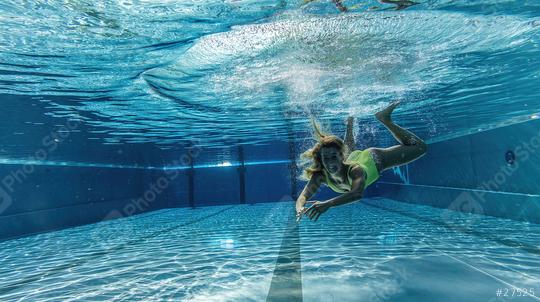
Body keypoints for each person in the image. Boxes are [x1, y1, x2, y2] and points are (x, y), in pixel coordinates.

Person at [296, 101, 427, 222]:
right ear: (321, 159)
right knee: (349, 152)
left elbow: (356, 194)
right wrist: (300, 208)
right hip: (352, 158)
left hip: (373, 160)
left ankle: (385, 120)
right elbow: (303, 196)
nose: (330, 163)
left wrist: (328, 204)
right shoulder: (320, 175)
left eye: (334, 157)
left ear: (341, 156)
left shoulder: (355, 171)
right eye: (326, 158)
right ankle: (350, 121)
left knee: (420, 147)